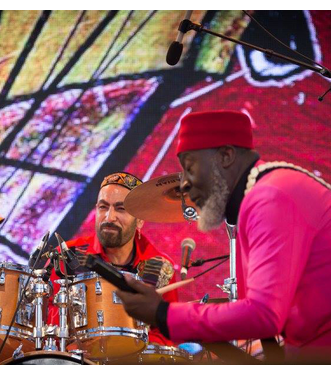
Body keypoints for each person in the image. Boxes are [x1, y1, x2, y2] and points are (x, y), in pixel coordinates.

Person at [116, 111, 331, 363]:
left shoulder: (271, 197)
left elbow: (263, 315)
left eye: (189, 167)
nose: (183, 184)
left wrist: (163, 314)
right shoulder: (262, 196)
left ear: (226, 156)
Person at [47, 172, 179, 347]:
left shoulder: (159, 267)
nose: (109, 217)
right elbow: (44, 314)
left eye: (121, 208)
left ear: (140, 220)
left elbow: (167, 334)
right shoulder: (67, 255)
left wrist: (135, 349)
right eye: (103, 207)